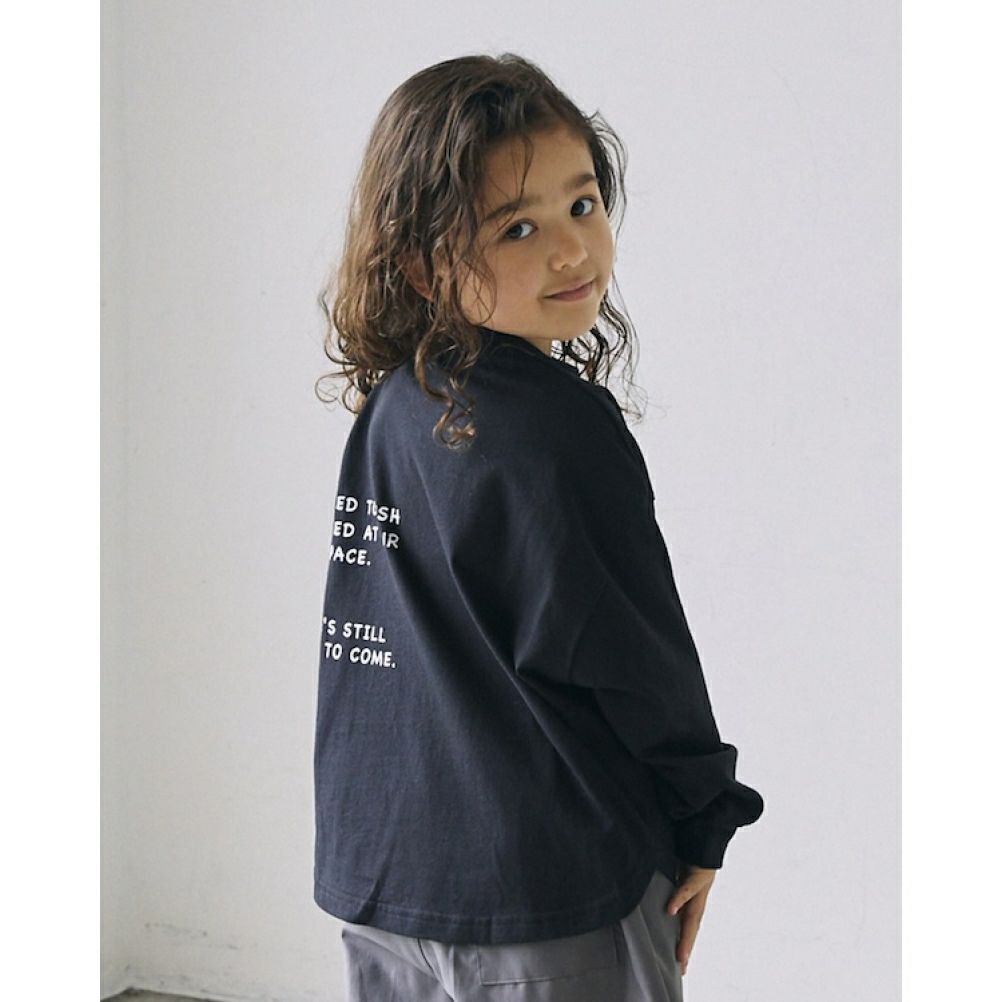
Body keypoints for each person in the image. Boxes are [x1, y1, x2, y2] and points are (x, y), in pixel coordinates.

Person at [312, 52, 765, 1002]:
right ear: (421, 265)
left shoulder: (395, 408)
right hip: (551, 893)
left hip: (387, 882)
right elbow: (632, 654)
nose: (572, 250)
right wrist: (705, 818)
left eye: (583, 204)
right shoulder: (558, 427)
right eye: (517, 227)